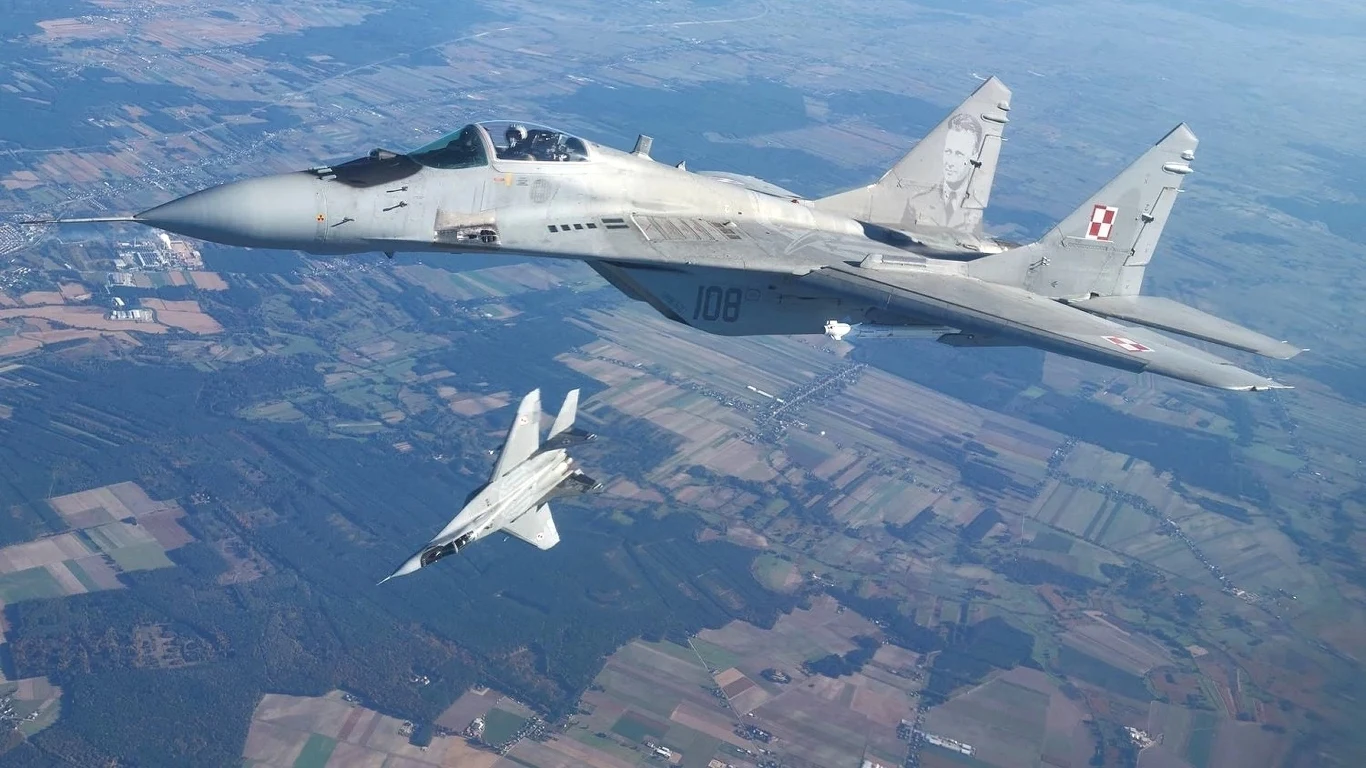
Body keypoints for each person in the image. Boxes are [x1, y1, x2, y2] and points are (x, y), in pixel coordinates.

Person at [902, 112, 987, 233]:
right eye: (948, 151)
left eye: (959, 154)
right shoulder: (917, 202)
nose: (950, 162)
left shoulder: (972, 215)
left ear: (974, 156)